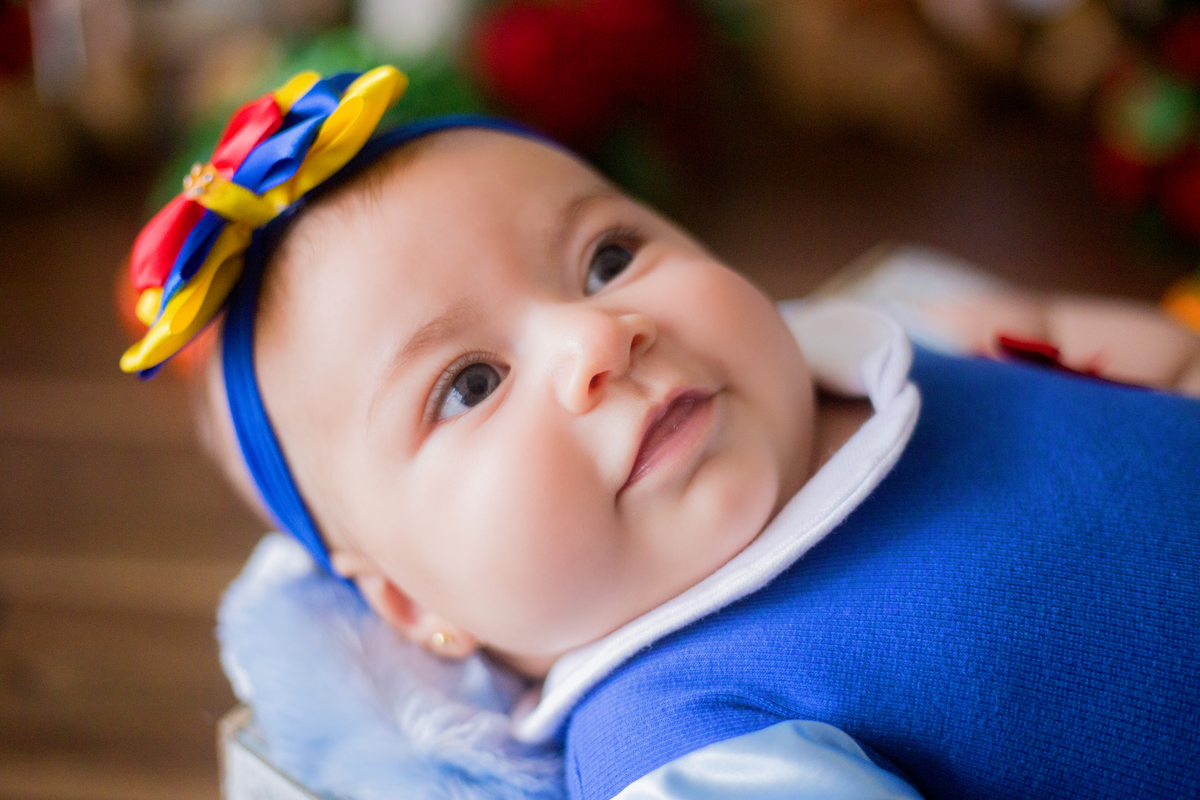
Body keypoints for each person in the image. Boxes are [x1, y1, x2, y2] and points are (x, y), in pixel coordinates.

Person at [123, 67, 1200, 799]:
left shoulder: (869, 342)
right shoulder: (681, 732)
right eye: (470, 383)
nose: (599, 336)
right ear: (419, 604)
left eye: (607, 259)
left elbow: (1104, 348)